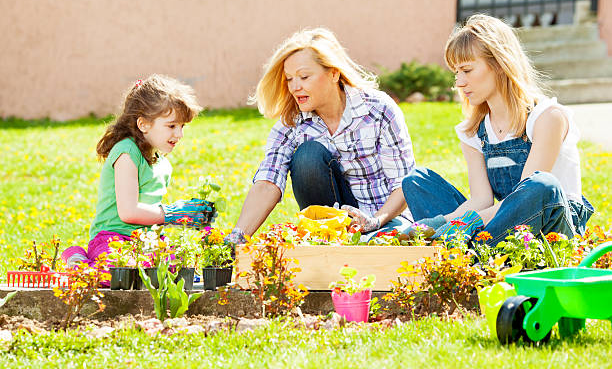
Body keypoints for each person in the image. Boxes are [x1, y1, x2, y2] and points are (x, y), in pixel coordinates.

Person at [401, 14, 594, 245]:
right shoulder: (473, 132)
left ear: (500, 65)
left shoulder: (547, 118)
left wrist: (455, 226)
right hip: (503, 230)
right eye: (456, 73)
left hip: (551, 232)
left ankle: (467, 255)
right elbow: (481, 200)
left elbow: (525, 198)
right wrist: (435, 224)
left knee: (541, 185)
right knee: (417, 181)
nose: (459, 83)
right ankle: (465, 252)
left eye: (467, 70)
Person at [227, 28, 416, 244]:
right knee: (308, 155)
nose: (295, 87)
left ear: (334, 73)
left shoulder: (378, 110)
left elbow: (403, 184)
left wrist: (375, 221)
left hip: (384, 219)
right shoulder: (291, 122)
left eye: (304, 76)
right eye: (289, 79)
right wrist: (237, 236)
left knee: (385, 242)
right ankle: (326, 240)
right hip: (330, 224)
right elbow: (268, 182)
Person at [61, 74, 210, 268]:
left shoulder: (163, 164)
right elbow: (128, 212)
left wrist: (186, 216)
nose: (179, 134)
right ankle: (76, 259)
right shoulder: (127, 152)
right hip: (112, 239)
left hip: (147, 242)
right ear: (143, 124)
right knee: (120, 272)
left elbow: (152, 214)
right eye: (171, 125)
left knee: (180, 267)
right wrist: (171, 213)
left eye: (182, 126)